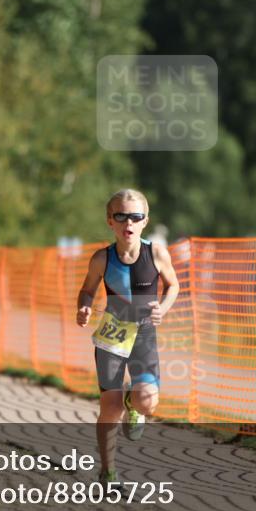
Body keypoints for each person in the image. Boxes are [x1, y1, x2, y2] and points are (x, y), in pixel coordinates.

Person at [76, 189, 179, 484]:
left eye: (135, 216)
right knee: (110, 407)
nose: (128, 223)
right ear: (110, 220)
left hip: (144, 333)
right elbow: (87, 289)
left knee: (147, 401)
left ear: (145, 221)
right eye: (121, 216)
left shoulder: (156, 253)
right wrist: (83, 306)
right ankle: (108, 472)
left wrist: (164, 307)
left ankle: (134, 407)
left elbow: (173, 286)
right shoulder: (101, 258)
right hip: (113, 335)